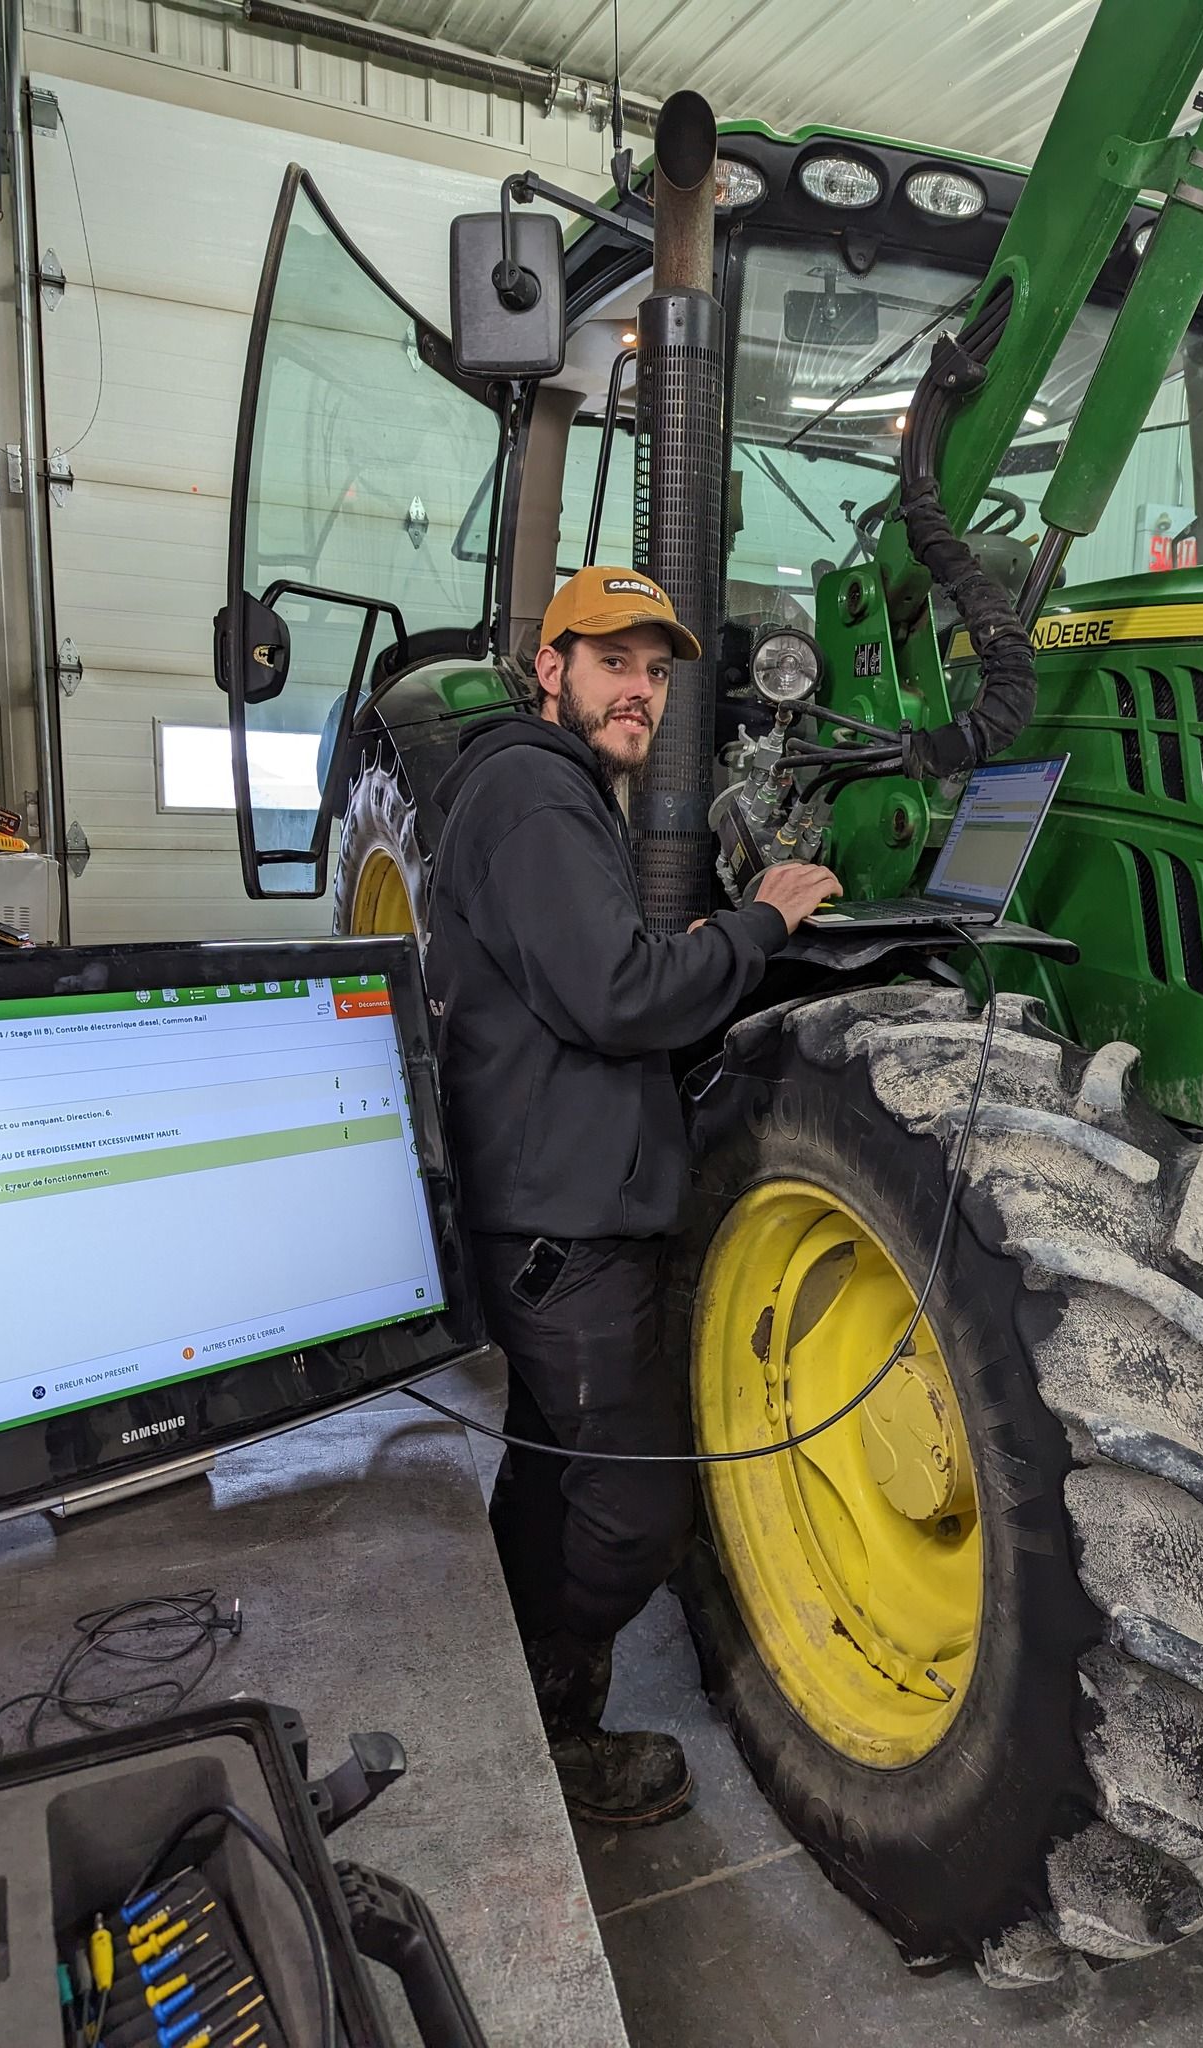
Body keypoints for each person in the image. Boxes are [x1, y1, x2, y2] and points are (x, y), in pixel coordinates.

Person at [425, 565, 839, 1827]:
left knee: (553, 1464)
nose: (641, 692)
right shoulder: (536, 794)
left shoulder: (548, 795)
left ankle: (512, 1681)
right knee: (641, 1504)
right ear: (548, 668)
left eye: (656, 673)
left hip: (555, 1201)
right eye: (614, 663)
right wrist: (760, 927)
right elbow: (613, 993)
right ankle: (551, 1731)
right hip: (564, 1226)